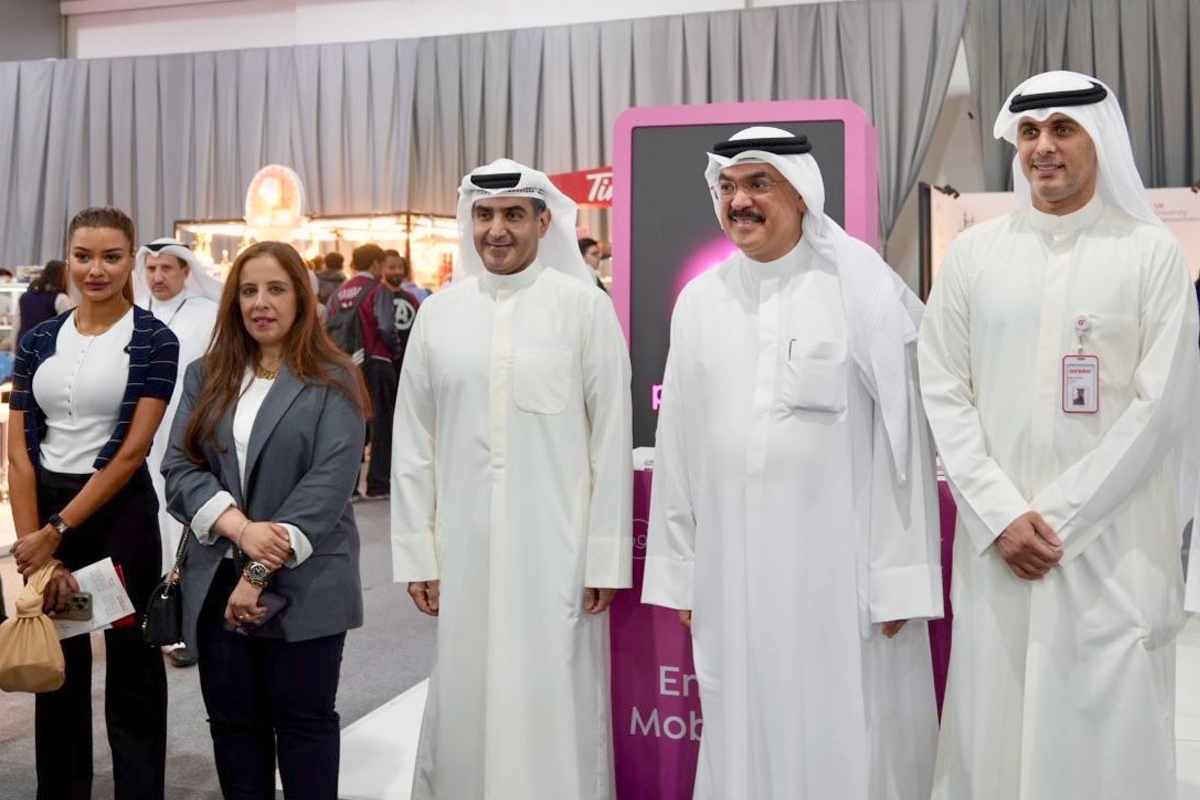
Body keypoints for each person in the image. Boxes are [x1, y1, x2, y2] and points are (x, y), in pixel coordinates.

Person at [918, 71, 1200, 800]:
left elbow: (1161, 407)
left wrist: (1058, 521)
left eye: (1063, 129)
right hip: (998, 547)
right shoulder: (975, 256)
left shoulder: (1150, 254)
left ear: (1100, 141)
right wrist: (1001, 514)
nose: (1043, 146)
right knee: (994, 722)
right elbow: (943, 387)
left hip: (1110, 549)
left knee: (1105, 728)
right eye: (1030, 132)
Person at [641, 127, 942, 800]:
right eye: (728, 186)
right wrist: (684, 571)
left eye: (759, 184)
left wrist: (898, 576)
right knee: (741, 724)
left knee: (845, 730)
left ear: (802, 192)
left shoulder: (863, 288)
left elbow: (905, 442)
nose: (739, 201)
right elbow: (680, 442)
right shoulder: (701, 300)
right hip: (731, 571)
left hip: (839, 574)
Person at [391, 158, 632, 800]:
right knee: (464, 696)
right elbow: (414, 443)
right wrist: (418, 553)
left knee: (556, 699)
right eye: (485, 215)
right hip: (463, 550)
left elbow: (610, 440)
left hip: (559, 555)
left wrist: (604, 556)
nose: (497, 230)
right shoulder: (439, 315)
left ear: (543, 222)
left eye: (513, 215)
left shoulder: (584, 309)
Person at [162, 240, 368, 800]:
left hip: (307, 579)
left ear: (300, 297)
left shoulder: (334, 376)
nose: (261, 303)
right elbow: (179, 467)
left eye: (276, 289)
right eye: (249, 290)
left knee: (304, 724)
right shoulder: (207, 374)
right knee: (234, 727)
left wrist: (256, 570)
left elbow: (327, 487)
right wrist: (239, 529)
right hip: (216, 577)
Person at [8, 206, 179, 800]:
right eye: (83, 256)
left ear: (131, 260)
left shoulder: (155, 340)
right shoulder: (38, 340)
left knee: (132, 664)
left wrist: (56, 530)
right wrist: (36, 547)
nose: (95, 269)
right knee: (58, 662)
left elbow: (131, 453)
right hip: (49, 515)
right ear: (69, 259)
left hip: (119, 515)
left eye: (111, 257)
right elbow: (20, 455)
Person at [134, 237, 223, 668]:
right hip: (137, 441)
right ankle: (146, 617)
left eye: (167, 268)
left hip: (188, 439)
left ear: (186, 271)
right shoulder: (132, 312)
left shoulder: (208, 314)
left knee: (183, 526)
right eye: (151, 269)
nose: (157, 277)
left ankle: (182, 624)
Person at [328, 243, 399, 499]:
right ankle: (378, 484)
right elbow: (386, 325)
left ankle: (350, 488)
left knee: (351, 425)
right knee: (382, 424)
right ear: (377, 264)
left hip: (346, 366)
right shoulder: (379, 289)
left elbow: (329, 326)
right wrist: (396, 349)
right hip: (377, 361)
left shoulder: (339, 293)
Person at [15, 259, 72, 346]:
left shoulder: (24, 297)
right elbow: (67, 328)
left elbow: (16, 326)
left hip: (25, 345)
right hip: (46, 347)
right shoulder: (60, 298)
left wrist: (15, 349)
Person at [380, 251, 421, 371]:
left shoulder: (411, 298)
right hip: (386, 363)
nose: (397, 271)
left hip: (409, 360)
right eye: (392, 267)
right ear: (382, 269)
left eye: (400, 267)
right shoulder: (378, 297)